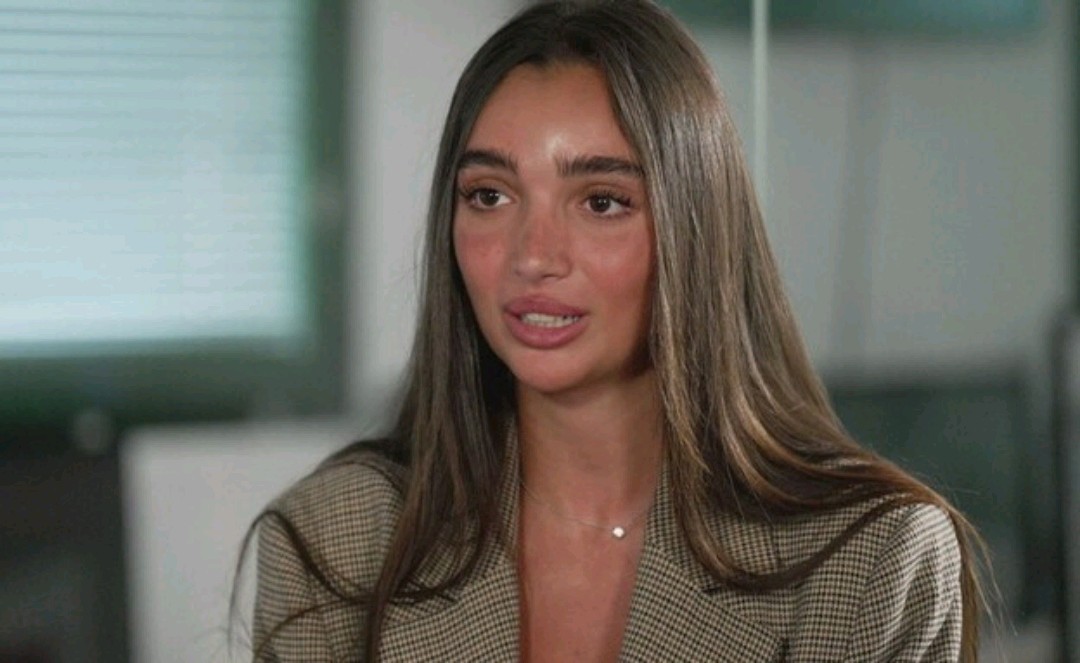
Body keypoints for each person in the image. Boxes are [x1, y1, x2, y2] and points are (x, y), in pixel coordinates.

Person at [248, 1, 988, 660]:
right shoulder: (335, 540)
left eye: (601, 201)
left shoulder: (872, 560)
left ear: (695, 229)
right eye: (490, 195)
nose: (533, 256)